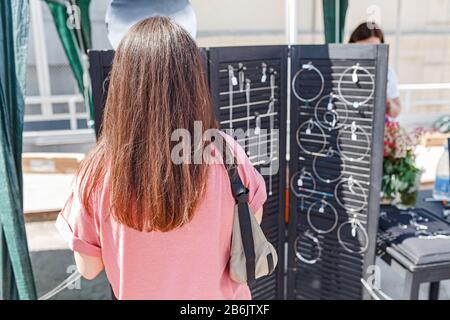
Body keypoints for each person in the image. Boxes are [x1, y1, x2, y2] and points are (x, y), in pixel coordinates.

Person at [56, 17, 267, 300]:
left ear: (122, 84)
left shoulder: (97, 170)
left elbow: (88, 267)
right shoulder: (225, 151)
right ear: (193, 80)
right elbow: (252, 221)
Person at [349, 22, 401, 119]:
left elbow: (396, 111)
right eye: (363, 49)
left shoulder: (388, 73)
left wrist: (387, 100)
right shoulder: (341, 73)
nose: (369, 54)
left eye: (375, 49)